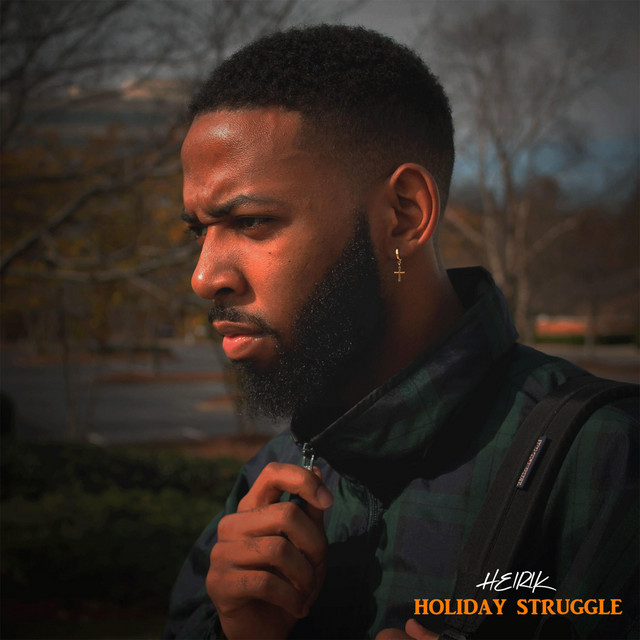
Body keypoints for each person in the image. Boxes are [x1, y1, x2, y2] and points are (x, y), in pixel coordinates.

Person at [164, 25, 638, 640]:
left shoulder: (603, 456)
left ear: (404, 215)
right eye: (198, 231)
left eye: (252, 221)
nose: (204, 277)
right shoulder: (274, 475)